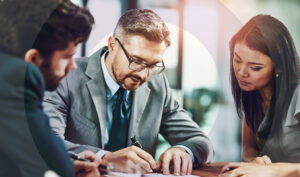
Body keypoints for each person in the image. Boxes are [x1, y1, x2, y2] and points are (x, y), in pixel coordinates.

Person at [43, 8, 214, 175]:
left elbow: (202, 142)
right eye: (137, 60)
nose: (143, 74)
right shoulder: (66, 75)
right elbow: (46, 140)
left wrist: (183, 150)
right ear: (112, 45)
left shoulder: (157, 84)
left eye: (153, 65)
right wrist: (105, 158)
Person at [0, 0, 101, 176]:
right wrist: (62, 166)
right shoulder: (14, 77)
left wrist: (67, 161)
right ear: (32, 59)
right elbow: (52, 165)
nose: (73, 66)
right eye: (67, 57)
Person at [220, 14, 300, 176]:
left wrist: (274, 170)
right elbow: (249, 149)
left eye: (255, 67)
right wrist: (255, 162)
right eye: (237, 60)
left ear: (279, 67)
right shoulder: (253, 93)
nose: (241, 73)